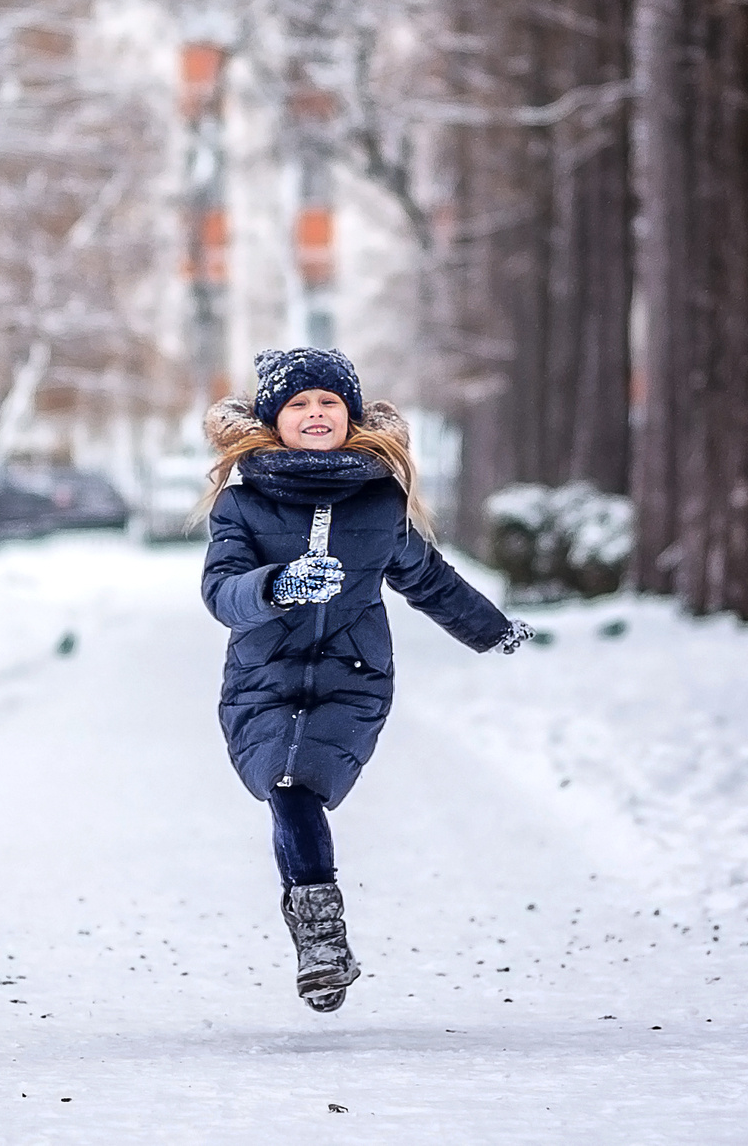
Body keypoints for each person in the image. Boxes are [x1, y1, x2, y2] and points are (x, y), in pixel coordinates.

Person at [198, 346, 530, 1011]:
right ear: (274, 418)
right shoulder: (243, 504)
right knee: (286, 787)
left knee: (304, 784)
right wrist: (279, 585)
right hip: (262, 676)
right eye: (298, 403)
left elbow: (429, 578)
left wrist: (492, 629)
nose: (315, 412)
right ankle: (323, 942)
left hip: (353, 678)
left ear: (351, 416)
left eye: (329, 402)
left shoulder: (379, 503)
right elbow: (221, 590)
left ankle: (320, 941)